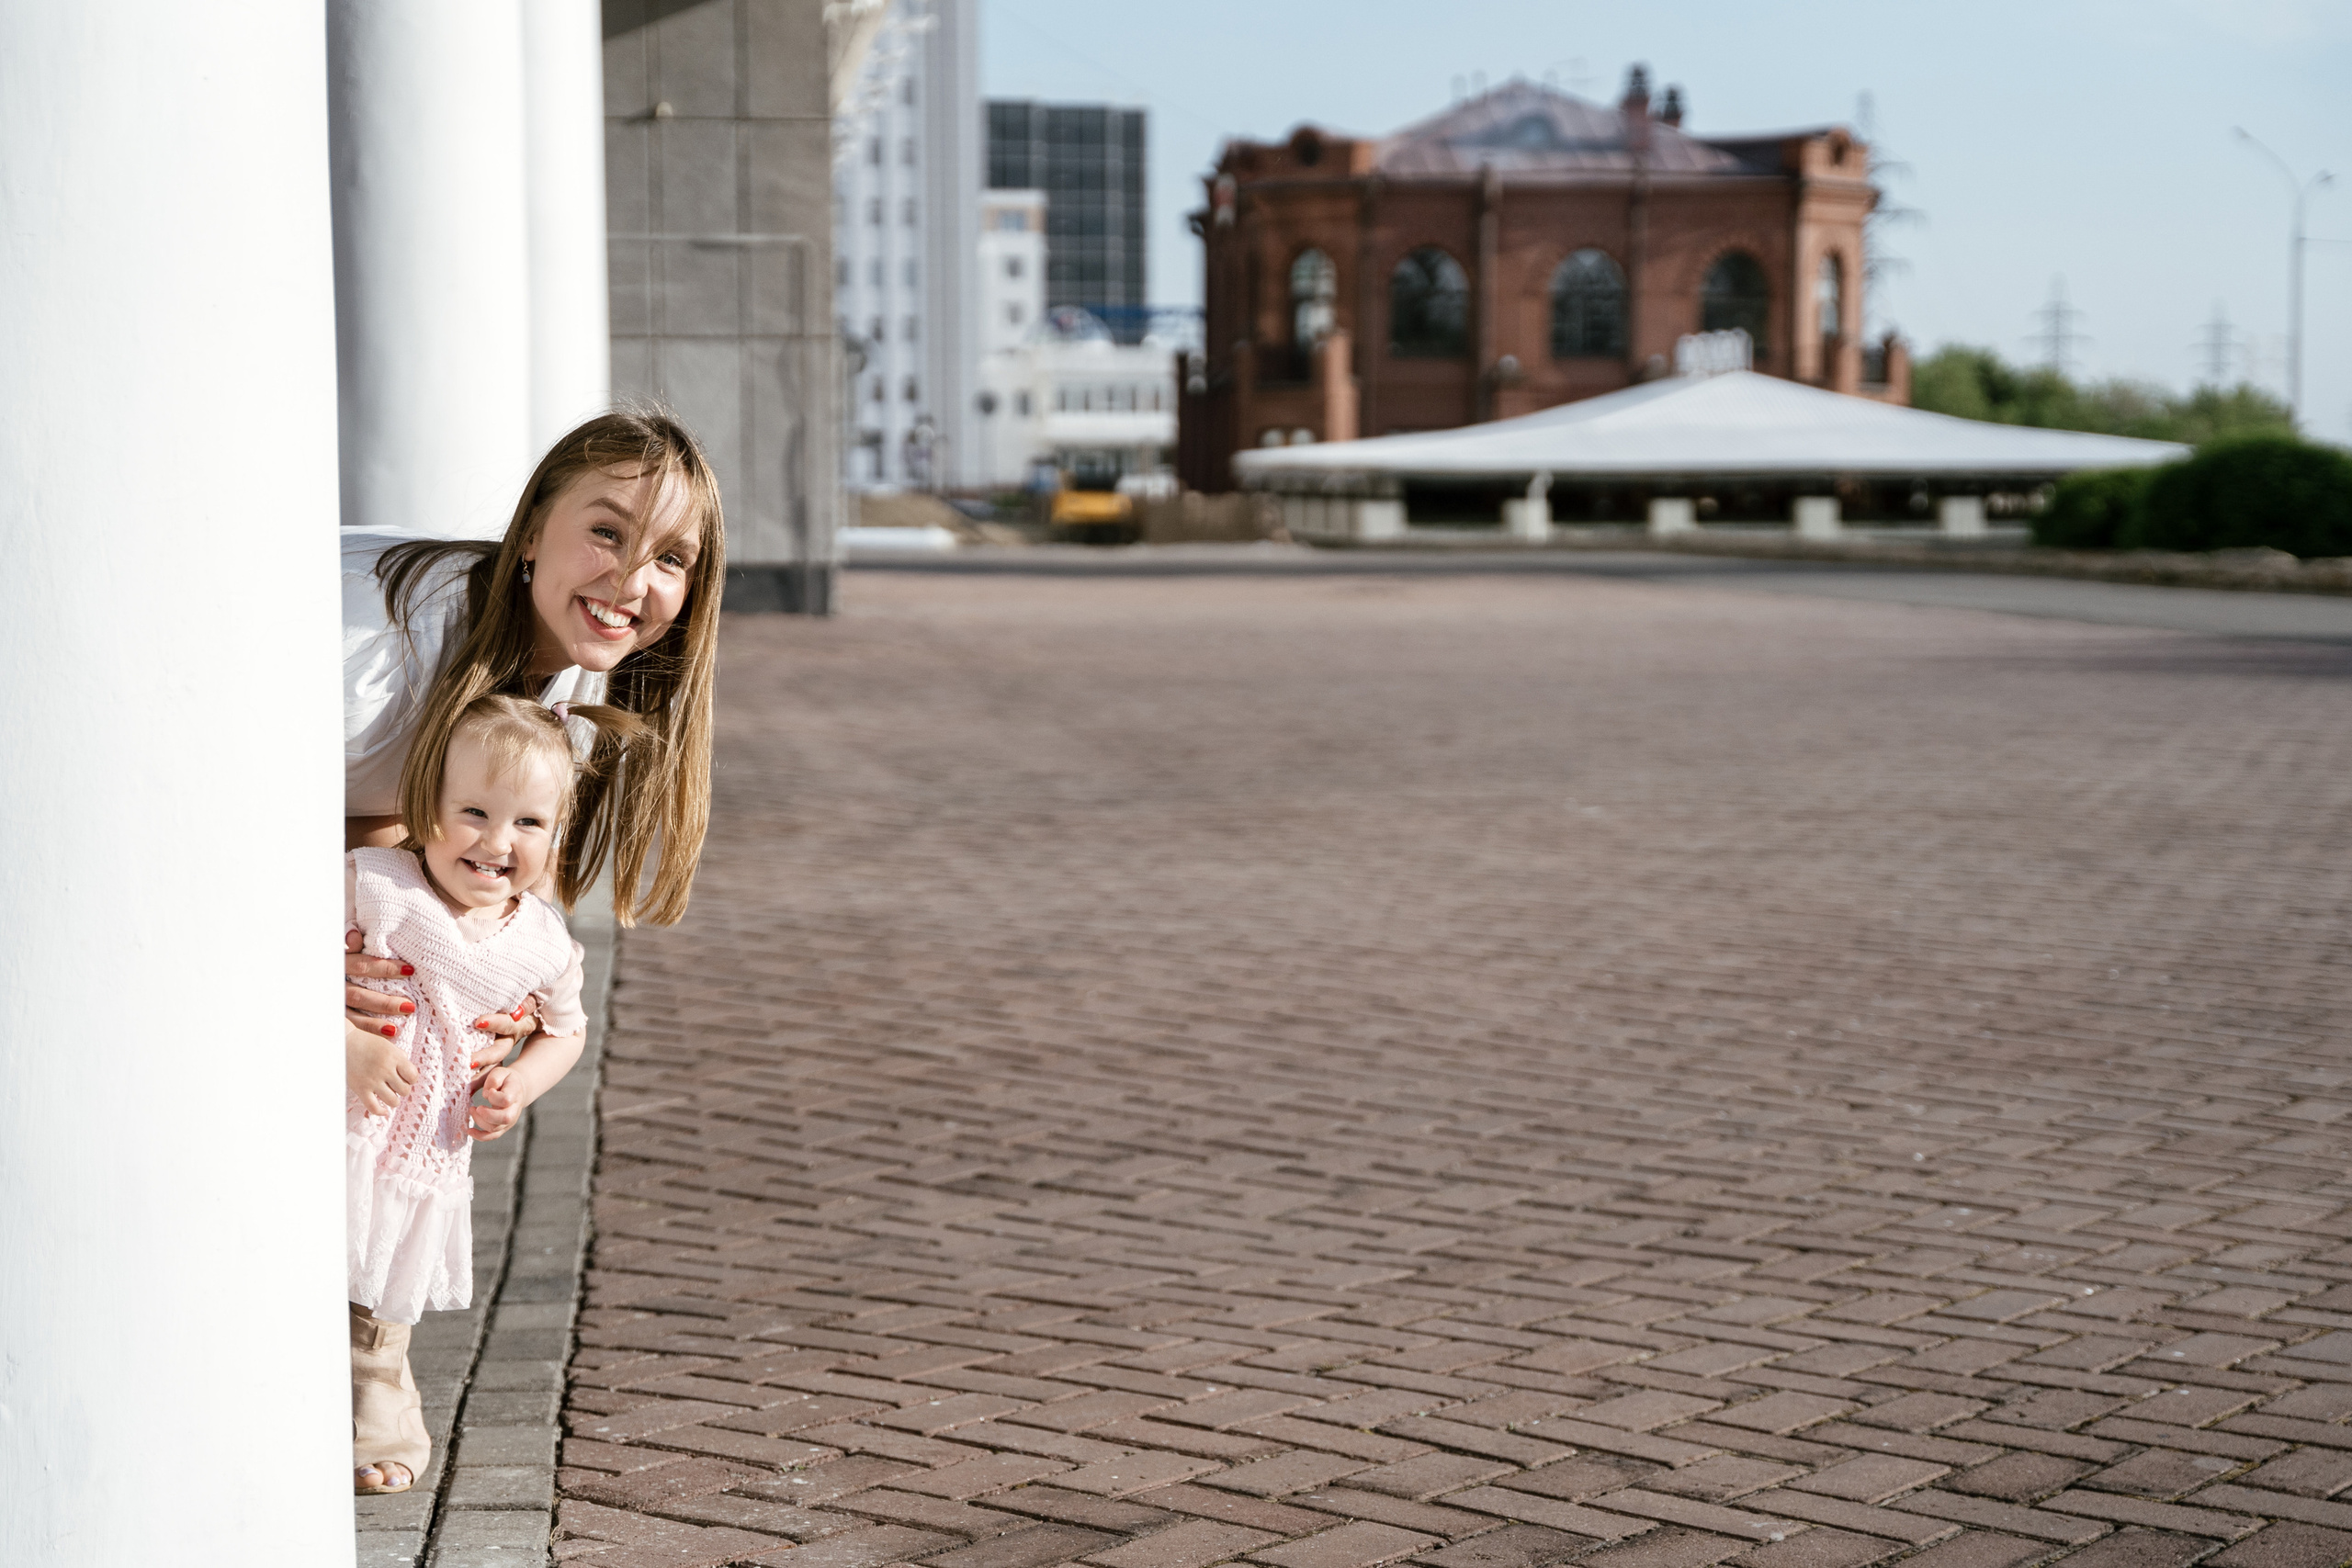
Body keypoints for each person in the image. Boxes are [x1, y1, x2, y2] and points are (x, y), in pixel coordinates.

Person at [343, 407, 725, 1128]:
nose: (632, 582)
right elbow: (219, 813)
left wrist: (492, 972)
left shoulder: (573, 666)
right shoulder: (377, 649)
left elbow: (422, 823)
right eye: (607, 533)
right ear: (529, 534)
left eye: (671, 558)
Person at [347, 695, 628, 1495]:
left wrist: (520, 1082)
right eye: (473, 811)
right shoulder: (376, 887)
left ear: (558, 834)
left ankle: (380, 1409)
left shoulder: (543, 942)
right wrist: (346, 1040)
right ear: (427, 809)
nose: (497, 841)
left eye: (528, 823)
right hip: (338, 1121)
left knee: (378, 1311)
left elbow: (567, 1031)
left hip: (421, 1149)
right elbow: (281, 962)